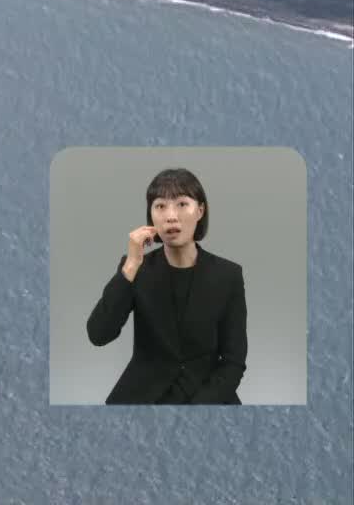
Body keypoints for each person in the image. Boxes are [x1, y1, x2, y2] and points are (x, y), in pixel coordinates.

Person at [85, 167, 247, 404]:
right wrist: (131, 265)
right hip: (143, 394)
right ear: (151, 217)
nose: (171, 216)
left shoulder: (228, 275)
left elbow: (234, 361)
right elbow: (98, 334)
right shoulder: (136, 269)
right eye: (160, 206)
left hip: (208, 394)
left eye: (182, 204)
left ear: (200, 210)